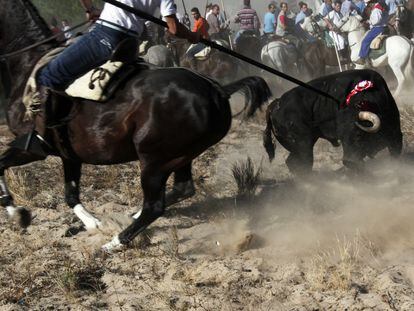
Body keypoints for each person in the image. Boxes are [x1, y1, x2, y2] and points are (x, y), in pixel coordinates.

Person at [34, 0, 200, 136]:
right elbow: (173, 28)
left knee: (48, 75)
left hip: (105, 35)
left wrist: (90, 9)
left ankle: (42, 137)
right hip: (130, 44)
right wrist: (192, 36)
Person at [355, 0, 388, 64]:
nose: (368, 5)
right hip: (384, 27)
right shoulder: (383, 7)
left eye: (369, 4)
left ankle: (362, 58)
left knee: (365, 41)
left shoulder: (376, 9)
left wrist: (369, 22)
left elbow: (377, 21)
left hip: (378, 28)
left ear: (372, 2)